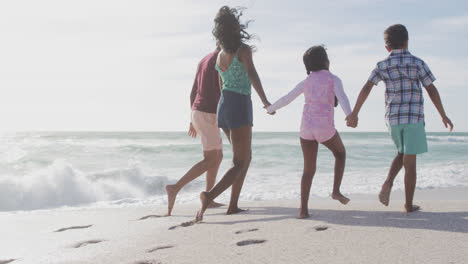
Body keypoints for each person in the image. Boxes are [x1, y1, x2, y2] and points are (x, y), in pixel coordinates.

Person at [346, 24, 454, 212]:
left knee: (402, 153)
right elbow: (432, 90)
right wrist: (443, 115)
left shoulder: (382, 65)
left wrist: (355, 113)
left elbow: (366, 87)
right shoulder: (418, 62)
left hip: (393, 119)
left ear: (387, 47)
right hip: (413, 118)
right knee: (410, 164)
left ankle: (388, 182)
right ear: (407, 41)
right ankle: (408, 204)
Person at [195, 6, 272, 222]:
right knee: (240, 162)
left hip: (225, 106)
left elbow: (221, 84)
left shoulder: (219, 54)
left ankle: (233, 205)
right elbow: (253, 75)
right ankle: (209, 196)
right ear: (236, 28)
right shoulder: (243, 51)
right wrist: (265, 101)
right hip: (239, 104)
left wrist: (224, 107)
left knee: (244, 158)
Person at [266, 46, 352, 219]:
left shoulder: (306, 82)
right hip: (324, 127)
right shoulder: (333, 79)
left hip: (306, 128)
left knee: (308, 170)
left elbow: (286, 98)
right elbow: (342, 98)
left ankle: (303, 210)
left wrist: (270, 109)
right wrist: (350, 116)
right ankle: (335, 191)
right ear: (326, 61)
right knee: (340, 153)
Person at [165, 47, 224, 216]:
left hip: (199, 112)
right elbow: (224, 88)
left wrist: (192, 119)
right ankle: (174, 188)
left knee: (217, 157)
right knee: (211, 159)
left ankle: (209, 196)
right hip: (207, 113)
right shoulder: (222, 58)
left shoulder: (203, 60)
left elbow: (193, 91)